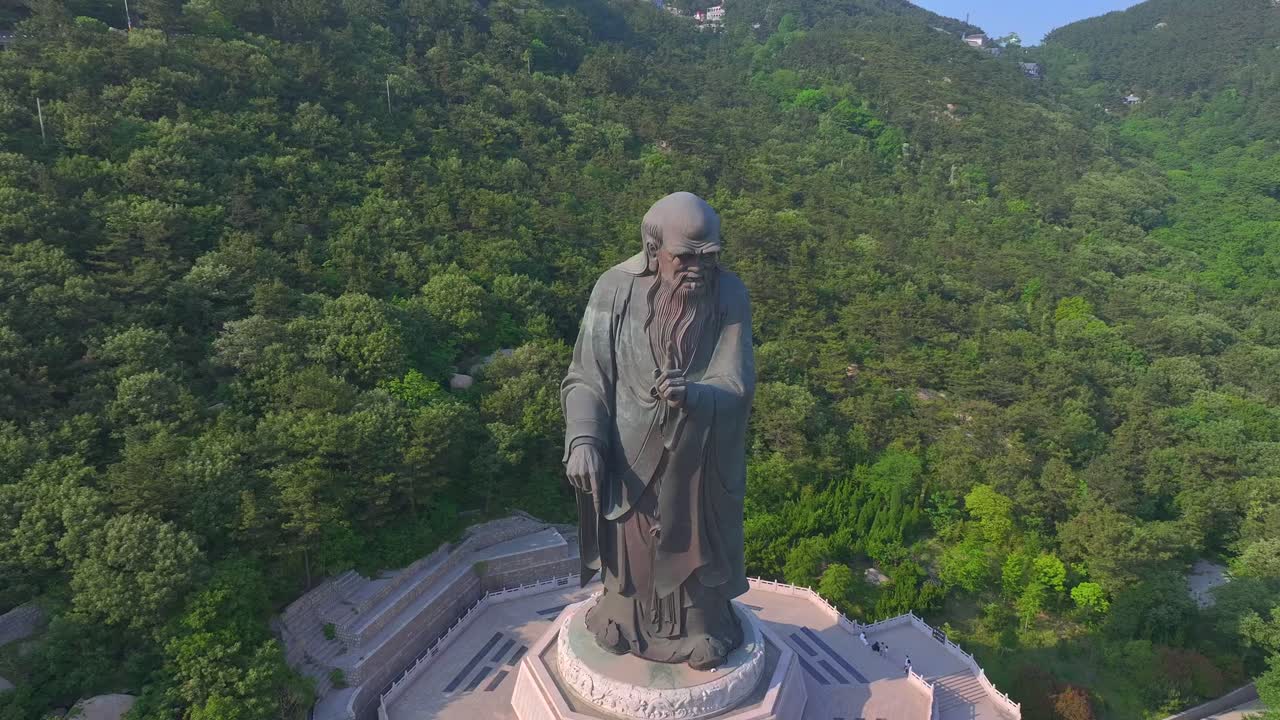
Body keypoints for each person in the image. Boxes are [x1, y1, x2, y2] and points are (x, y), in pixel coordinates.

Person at [563, 192, 756, 671]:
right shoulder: (613, 289)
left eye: (708, 256)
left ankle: (701, 627)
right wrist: (584, 438)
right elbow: (586, 376)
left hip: (698, 453)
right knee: (631, 550)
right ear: (653, 249)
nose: (697, 268)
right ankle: (621, 617)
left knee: (695, 545)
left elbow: (735, 382)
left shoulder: (729, 295)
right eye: (684, 256)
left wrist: (695, 394)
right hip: (629, 454)